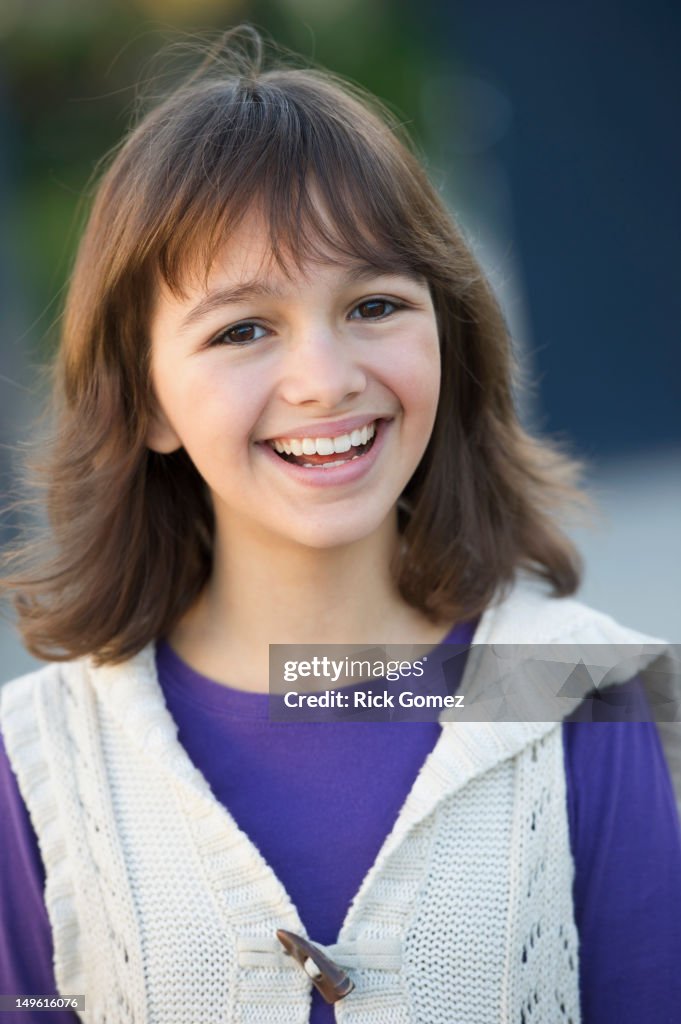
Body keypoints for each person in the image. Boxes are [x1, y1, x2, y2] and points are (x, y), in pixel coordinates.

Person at [1, 25, 680, 1024]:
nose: (325, 379)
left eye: (373, 304)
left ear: (448, 335)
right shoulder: (39, 756)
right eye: (243, 328)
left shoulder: (588, 690)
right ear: (143, 402)